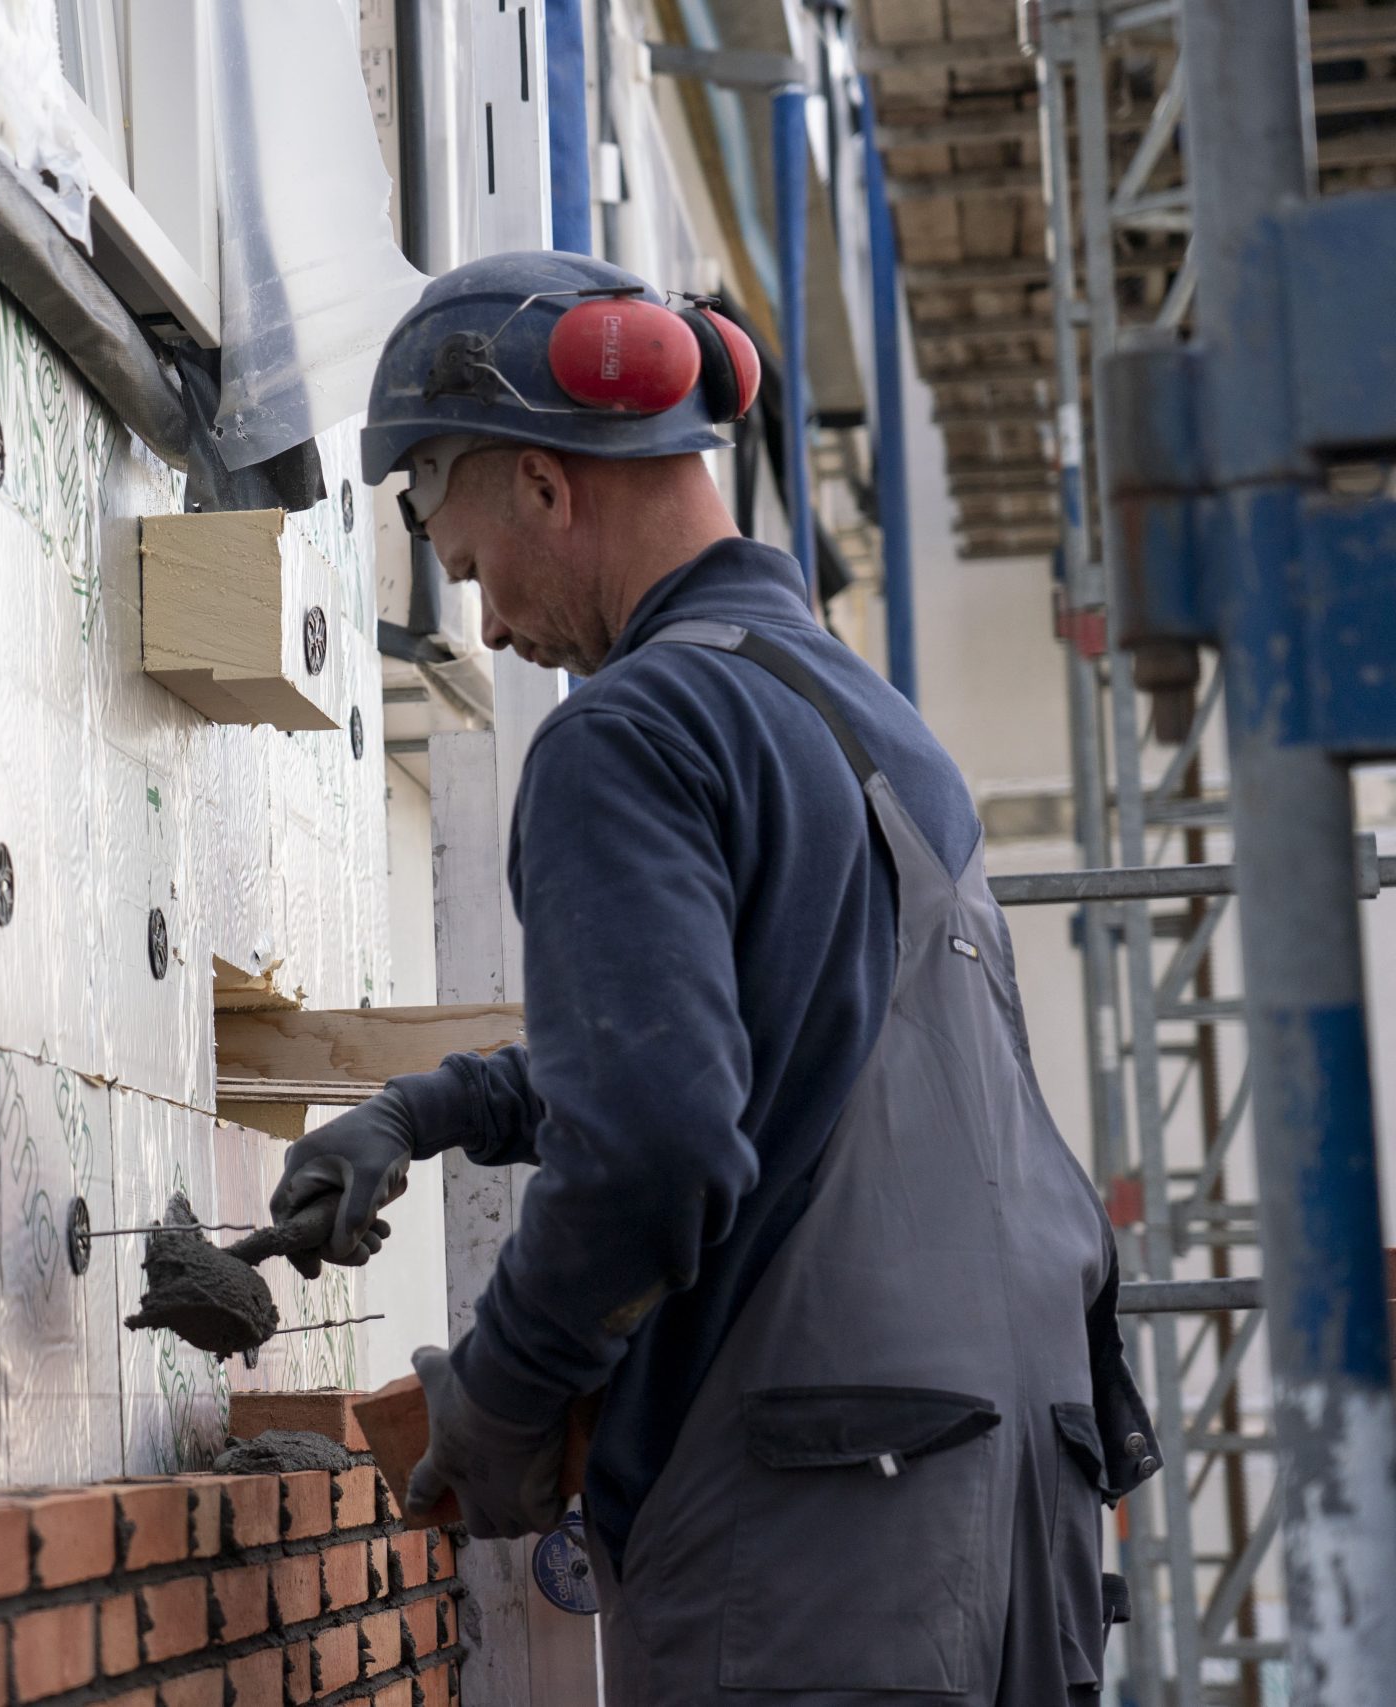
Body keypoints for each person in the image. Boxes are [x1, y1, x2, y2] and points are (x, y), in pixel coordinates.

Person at [269, 251, 1159, 1702]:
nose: (488, 627)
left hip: (820, 1537)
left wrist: (502, 1399)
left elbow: (661, 1146)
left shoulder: (630, 733)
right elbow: (763, 1056)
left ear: (550, 486)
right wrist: (427, 1113)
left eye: (475, 563)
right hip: (1016, 1515)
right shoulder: (872, 728)